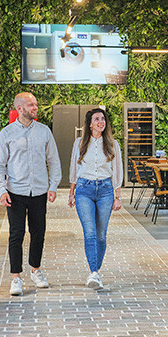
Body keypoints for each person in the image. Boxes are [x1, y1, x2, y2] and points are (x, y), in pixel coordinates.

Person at [0, 92, 62, 296]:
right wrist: (1, 189)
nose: (35, 108)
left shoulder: (44, 132)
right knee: (16, 234)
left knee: (38, 232)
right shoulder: (7, 133)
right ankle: (16, 278)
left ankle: (36, 270)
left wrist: (53, 185)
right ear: (19, 108)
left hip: (39, 191)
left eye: (36, 104)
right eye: (31, 105)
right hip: (15, 192)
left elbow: (54, 161)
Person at [68, 108, 122, 290]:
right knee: (90, 232)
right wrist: (71, 192)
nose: (101, 122)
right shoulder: (80, 143)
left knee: (101, 234)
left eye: (103, 119)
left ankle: (96, 272)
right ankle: (93, 272)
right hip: (84, 190)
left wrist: (118, 196)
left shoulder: (113, 144)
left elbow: (117, 170)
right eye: (97, 119)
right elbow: (74, 168)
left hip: (106, 190)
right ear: (90, 124)